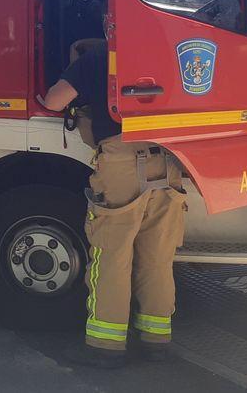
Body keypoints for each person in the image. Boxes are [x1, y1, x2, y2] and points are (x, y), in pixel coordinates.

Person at [41, 44, 186, 369]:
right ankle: (156, 340)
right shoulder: (169, 50)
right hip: (169, 158)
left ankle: (106, 345)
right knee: (158, 257)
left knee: (112, 255)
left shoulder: (95, 58)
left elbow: (54, 100)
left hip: (121, 160)